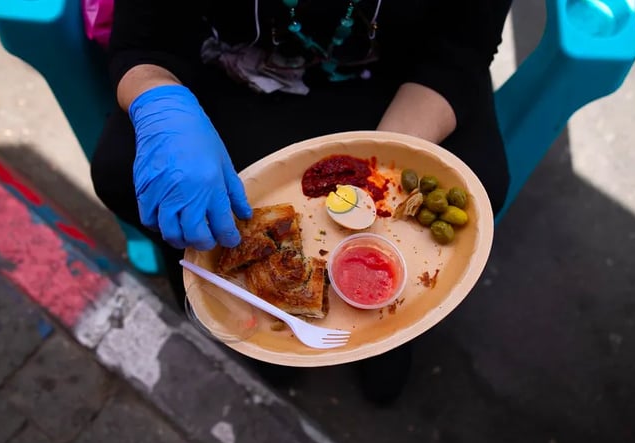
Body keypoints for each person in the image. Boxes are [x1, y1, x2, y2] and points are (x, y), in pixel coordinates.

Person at [90, 0, 513, 405]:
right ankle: (241, 317)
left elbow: (461, 50)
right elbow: (143, 41)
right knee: (120, 171)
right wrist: (159, 101)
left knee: (482, 181)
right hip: (231, 73)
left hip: (399, 82)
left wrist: (386, 162)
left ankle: (390, 331)